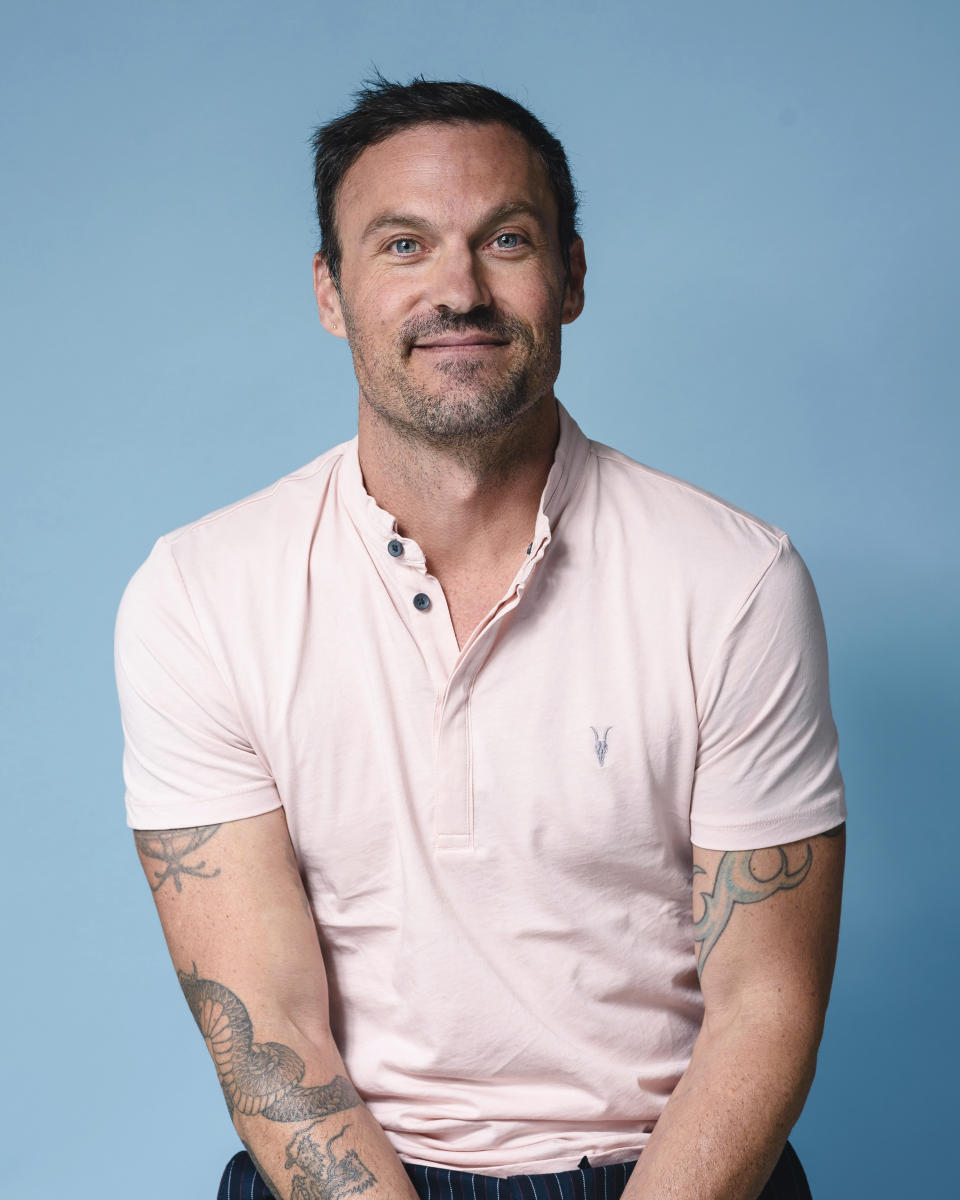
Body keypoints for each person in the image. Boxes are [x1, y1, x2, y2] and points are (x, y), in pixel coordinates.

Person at [114, 76, 845, 1200]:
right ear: (330, 289)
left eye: (505, 239)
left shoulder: (734, 580)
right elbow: (264, 1021)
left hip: (678, 1171)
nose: (457, 290)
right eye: (402, 245)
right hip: (344, 1170)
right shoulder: (201, 592)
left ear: (572, 277)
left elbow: (766, 1004)